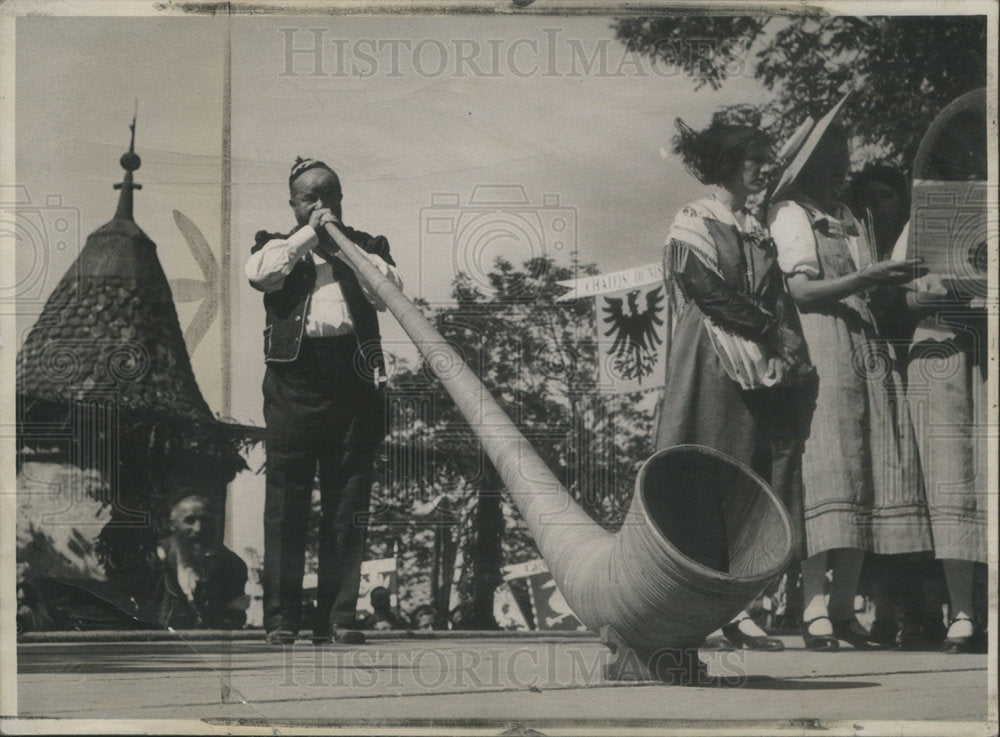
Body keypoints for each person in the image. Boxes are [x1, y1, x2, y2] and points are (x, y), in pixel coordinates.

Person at [768, 107, 932, 651]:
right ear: (809, 163)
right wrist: (867, 275)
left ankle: (843, 608)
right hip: (823, 343)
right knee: (829, 467)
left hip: (864, 346)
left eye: (844, 157)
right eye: (833, 158)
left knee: (871, 465)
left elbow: (864, 285)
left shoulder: (844, 215)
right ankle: (814, 603)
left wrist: (887, 281)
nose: (843, 166)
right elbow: (801, 292)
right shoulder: (791, 214)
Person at [655, 117, 817, 652]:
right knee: (704, 471)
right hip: (711, 361)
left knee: (746, 478)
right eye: (752, 158)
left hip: (755, 370)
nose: (762, 167)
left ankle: (734, 608)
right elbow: (705, 290)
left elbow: (774, 295)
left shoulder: (755, 226)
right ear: (727, 162)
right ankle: (690, 606)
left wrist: (786, 344)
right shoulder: (694, 218)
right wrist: (771, 331)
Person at [246, 157, 402, 646]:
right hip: (296, 380)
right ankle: (281, 620)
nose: (321, 204)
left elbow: (387, 295)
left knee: (348, 504)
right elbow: (261, 276)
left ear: (341, 197)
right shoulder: (276, 245)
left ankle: (337, 618)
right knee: (286, 504)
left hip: (355, 382)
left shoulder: (369, 247)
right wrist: (308, 238)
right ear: (293, 205)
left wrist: (341, 243)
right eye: (309, 197)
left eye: (329, 194)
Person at [890, 222, 988, 653]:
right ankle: (963, 610)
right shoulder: (929, 216)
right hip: (943, 344)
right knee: (949, 472)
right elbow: (911, 294)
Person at [151, 493, 249, 629]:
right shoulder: (154, 561)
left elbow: (234, 619)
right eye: (190, 520)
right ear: (173, 525)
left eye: (205, 521)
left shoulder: (232, 565)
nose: (199, 528)